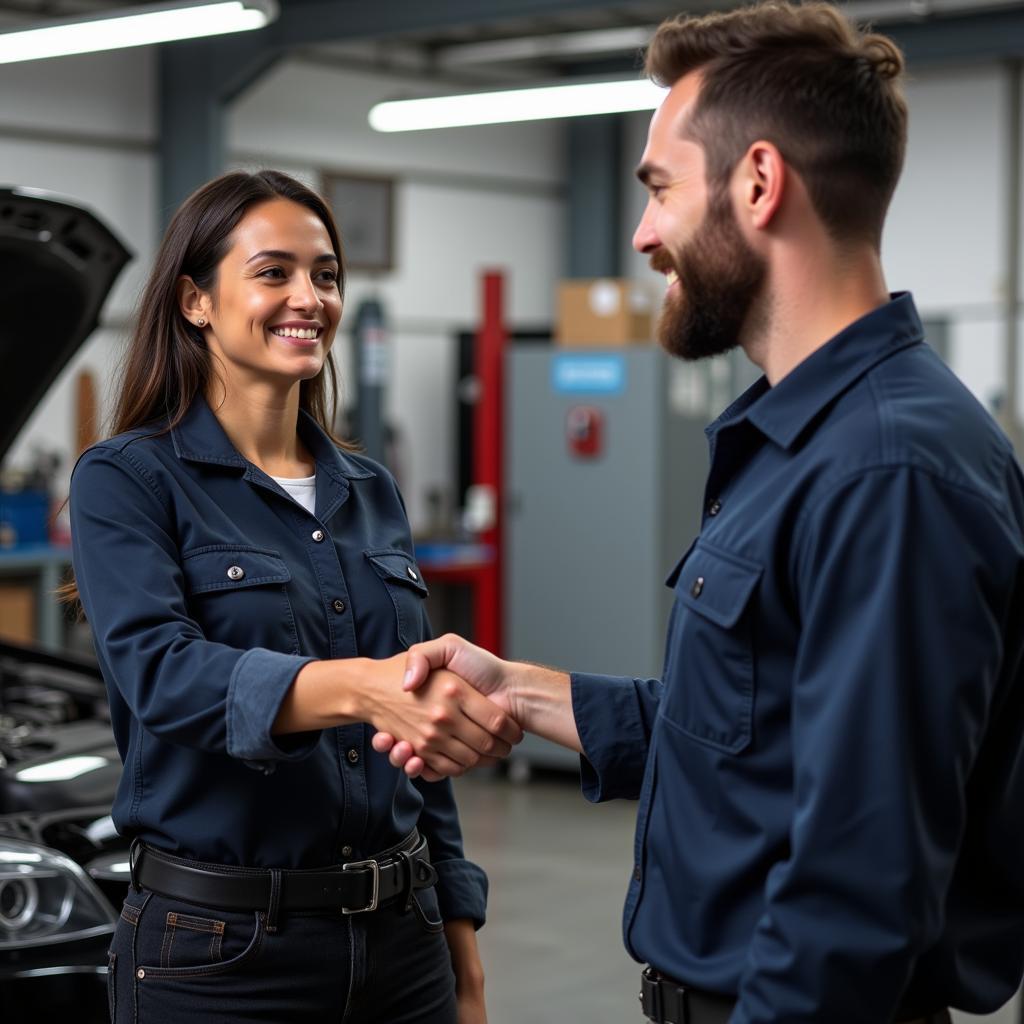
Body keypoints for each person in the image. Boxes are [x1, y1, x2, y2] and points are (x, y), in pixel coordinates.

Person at [374, 4, 1024, 1023]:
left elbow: (857, 887)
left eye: (659, 190)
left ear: (758, 183)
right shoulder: (801, 440)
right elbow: (753, 732)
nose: (642, 234)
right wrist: (526, 693)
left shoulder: (887, 470)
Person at [67, 169, 520, 1024]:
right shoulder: (127, 480)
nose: (308, 297)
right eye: (273, 273)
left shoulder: (370, 489)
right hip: (222, 958)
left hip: (405, 944)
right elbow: (163, 674)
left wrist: (463, 954)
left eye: (326, 275)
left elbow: (418, 749)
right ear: (196, 300)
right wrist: (362, 685)